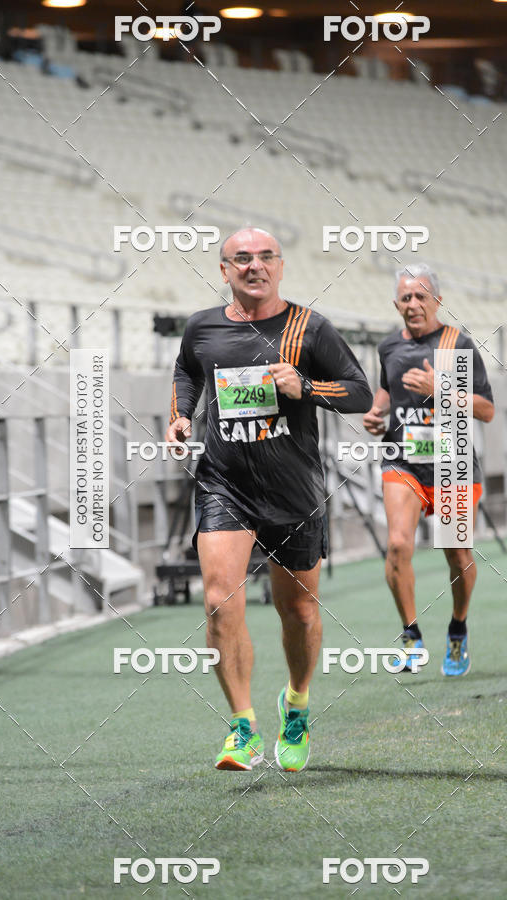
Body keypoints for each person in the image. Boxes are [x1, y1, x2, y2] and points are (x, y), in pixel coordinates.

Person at [166, 227, 373, 771]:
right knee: (219, 600)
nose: (253, 266)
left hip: (293, 490)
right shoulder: (202, 327)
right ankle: (242, 728)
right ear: (224, 270)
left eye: (264, 257)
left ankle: (296, 703)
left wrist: (306, 386)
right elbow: (187, 370)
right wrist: (181, 415)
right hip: (224, 483)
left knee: (298, 611)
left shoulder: (309, 327)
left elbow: (360, 392)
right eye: (241, 258)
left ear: (280, 267)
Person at [363, 263, 494, 676]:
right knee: (397, 546)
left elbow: (486, 409)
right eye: (406, 297)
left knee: (457, 554)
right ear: (396, 304)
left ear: (437, 300)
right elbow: (387, 388)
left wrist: (442, 389)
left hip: (453, 463)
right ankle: (411, 636)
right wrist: (376, 412)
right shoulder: (388, 347)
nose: (414, 303)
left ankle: (457, 628)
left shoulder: (458, 344)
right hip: (403, 461)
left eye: (421, 296)